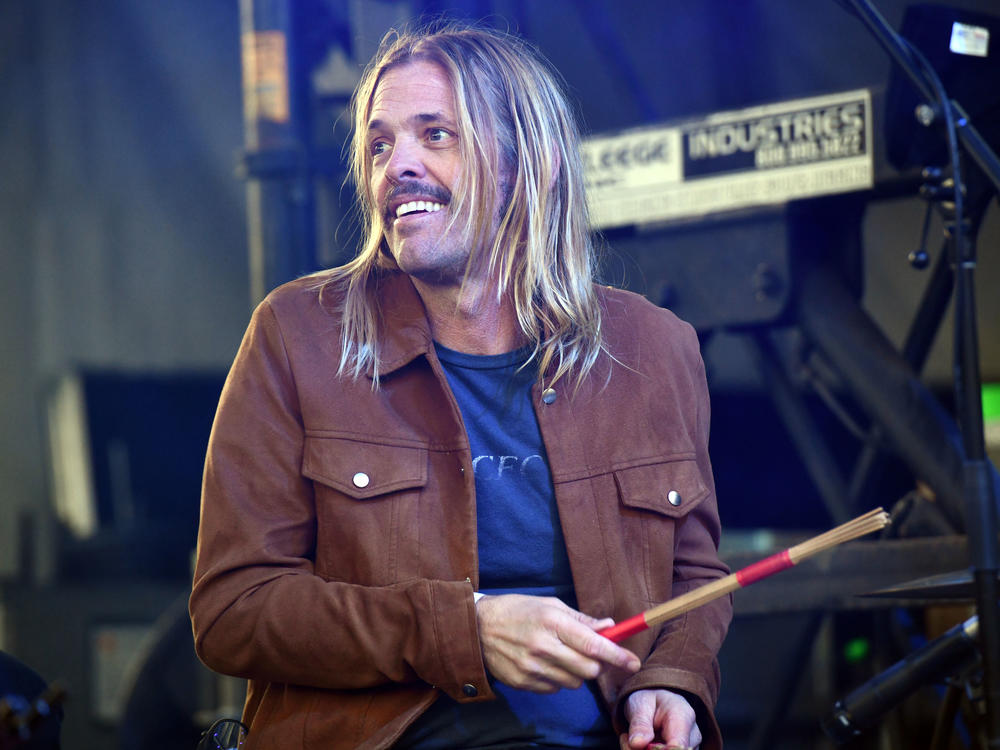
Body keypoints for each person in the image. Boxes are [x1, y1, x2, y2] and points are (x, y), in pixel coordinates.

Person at [189, 20, 731, 750]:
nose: (395, 167)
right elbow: (233, 609)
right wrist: (464, 629)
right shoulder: (297, 336)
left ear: (529, 162)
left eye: (435, 134)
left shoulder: (655, 349)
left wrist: (673, 681)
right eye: (380, 145)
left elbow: (695, 576)